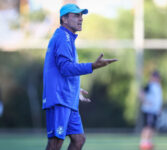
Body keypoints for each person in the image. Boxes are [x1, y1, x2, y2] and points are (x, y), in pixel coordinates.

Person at [42, 3, 117, 150]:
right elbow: (65, 68)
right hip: (59, 99)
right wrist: (92, 66)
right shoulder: (63, 37)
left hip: (67, 98)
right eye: (76, 15)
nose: (81, 18)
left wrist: (76, 90)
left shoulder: (68, 38)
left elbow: (62, 70)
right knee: (55, 143)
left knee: (79, 140)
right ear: (64, 19)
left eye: (81, 15)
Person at [139, 71, 163, 150]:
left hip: (154, 111)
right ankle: (143, 143)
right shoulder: (150, 85)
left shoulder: (158, 86)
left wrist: (159, 108)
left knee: (152, 127)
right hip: (149, 110)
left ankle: (148, 142)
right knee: (147, 126)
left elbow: (158, 99)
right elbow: (141, 93)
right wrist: (145, 101)